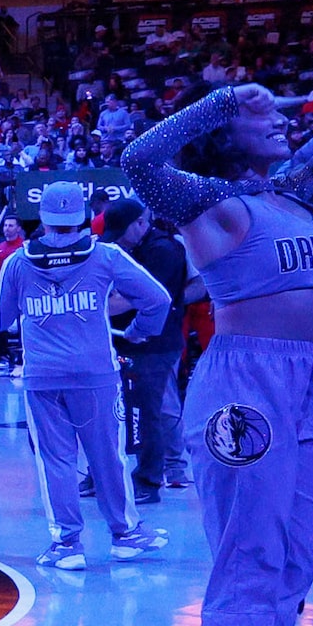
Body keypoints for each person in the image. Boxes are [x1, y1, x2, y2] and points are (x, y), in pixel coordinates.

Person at [124, 83, 313, 626]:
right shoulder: (213, 208)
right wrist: (222, 100)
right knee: (249, 550)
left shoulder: (290, 200)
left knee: (295, 549)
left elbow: (308, 162)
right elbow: (138, 161)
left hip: (308, 382)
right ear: (225, 135)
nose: (277, 122)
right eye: (259, 120)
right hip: (243, 386)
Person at [0, 182, 174, 573]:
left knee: (56, 461)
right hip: (95, 376)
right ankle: (125, 535)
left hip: (43, 378)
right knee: (108, 455)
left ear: (44, 218)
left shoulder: (17, 263)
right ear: (84, 217)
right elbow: (158, 298)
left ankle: (66, 544)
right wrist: (141, 329)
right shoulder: (105, 255)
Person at [104, 197, 195, 505]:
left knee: (148, 412)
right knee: (121, 410)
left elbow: (135, 300)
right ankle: (108, 473)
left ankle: (149, 479)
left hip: (155, 345)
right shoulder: (131, 248)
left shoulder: (164, 250)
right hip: (129, 341)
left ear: (140, 223)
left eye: (121, 231)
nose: (116, 239)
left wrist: (101, 304)